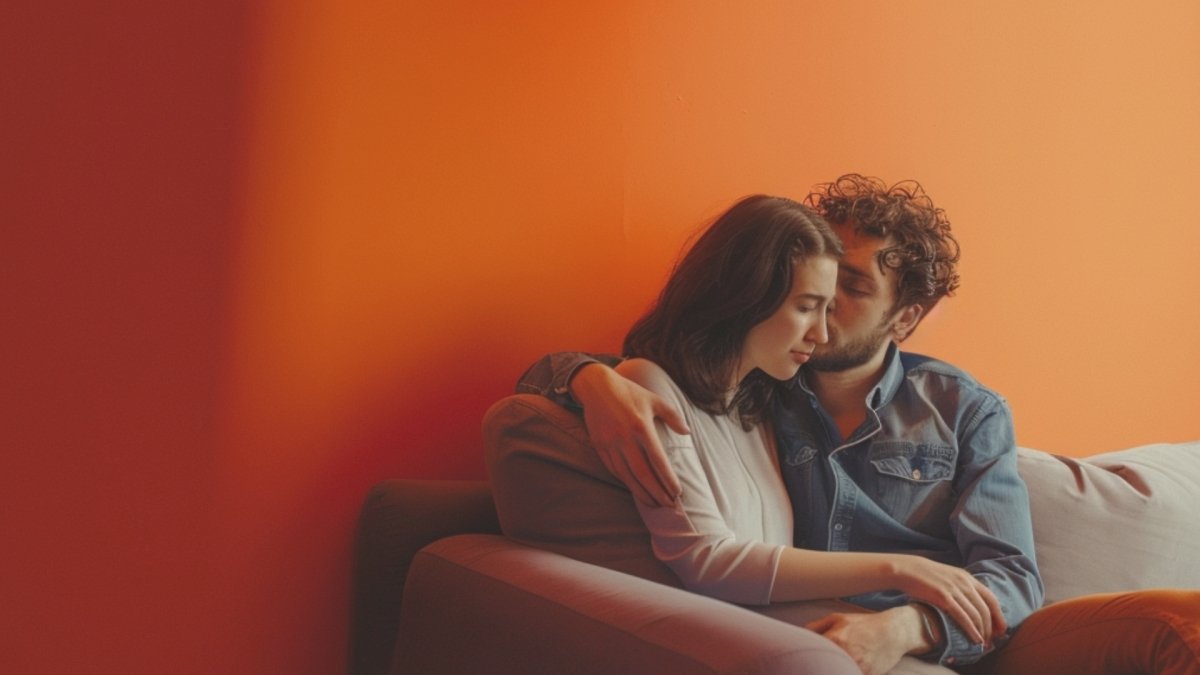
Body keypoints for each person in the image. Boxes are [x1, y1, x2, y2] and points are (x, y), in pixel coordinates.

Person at [515, 175, 1200, 675]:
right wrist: (584, 378)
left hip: (964, 635)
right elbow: (660, 364)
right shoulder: (762, 381)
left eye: (853, 288)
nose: (822, 306)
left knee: (1183, 621)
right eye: (816, 281)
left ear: (904, 320)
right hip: (820, 637)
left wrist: (906, 625)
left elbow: (1012, 582)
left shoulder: (964, 410)